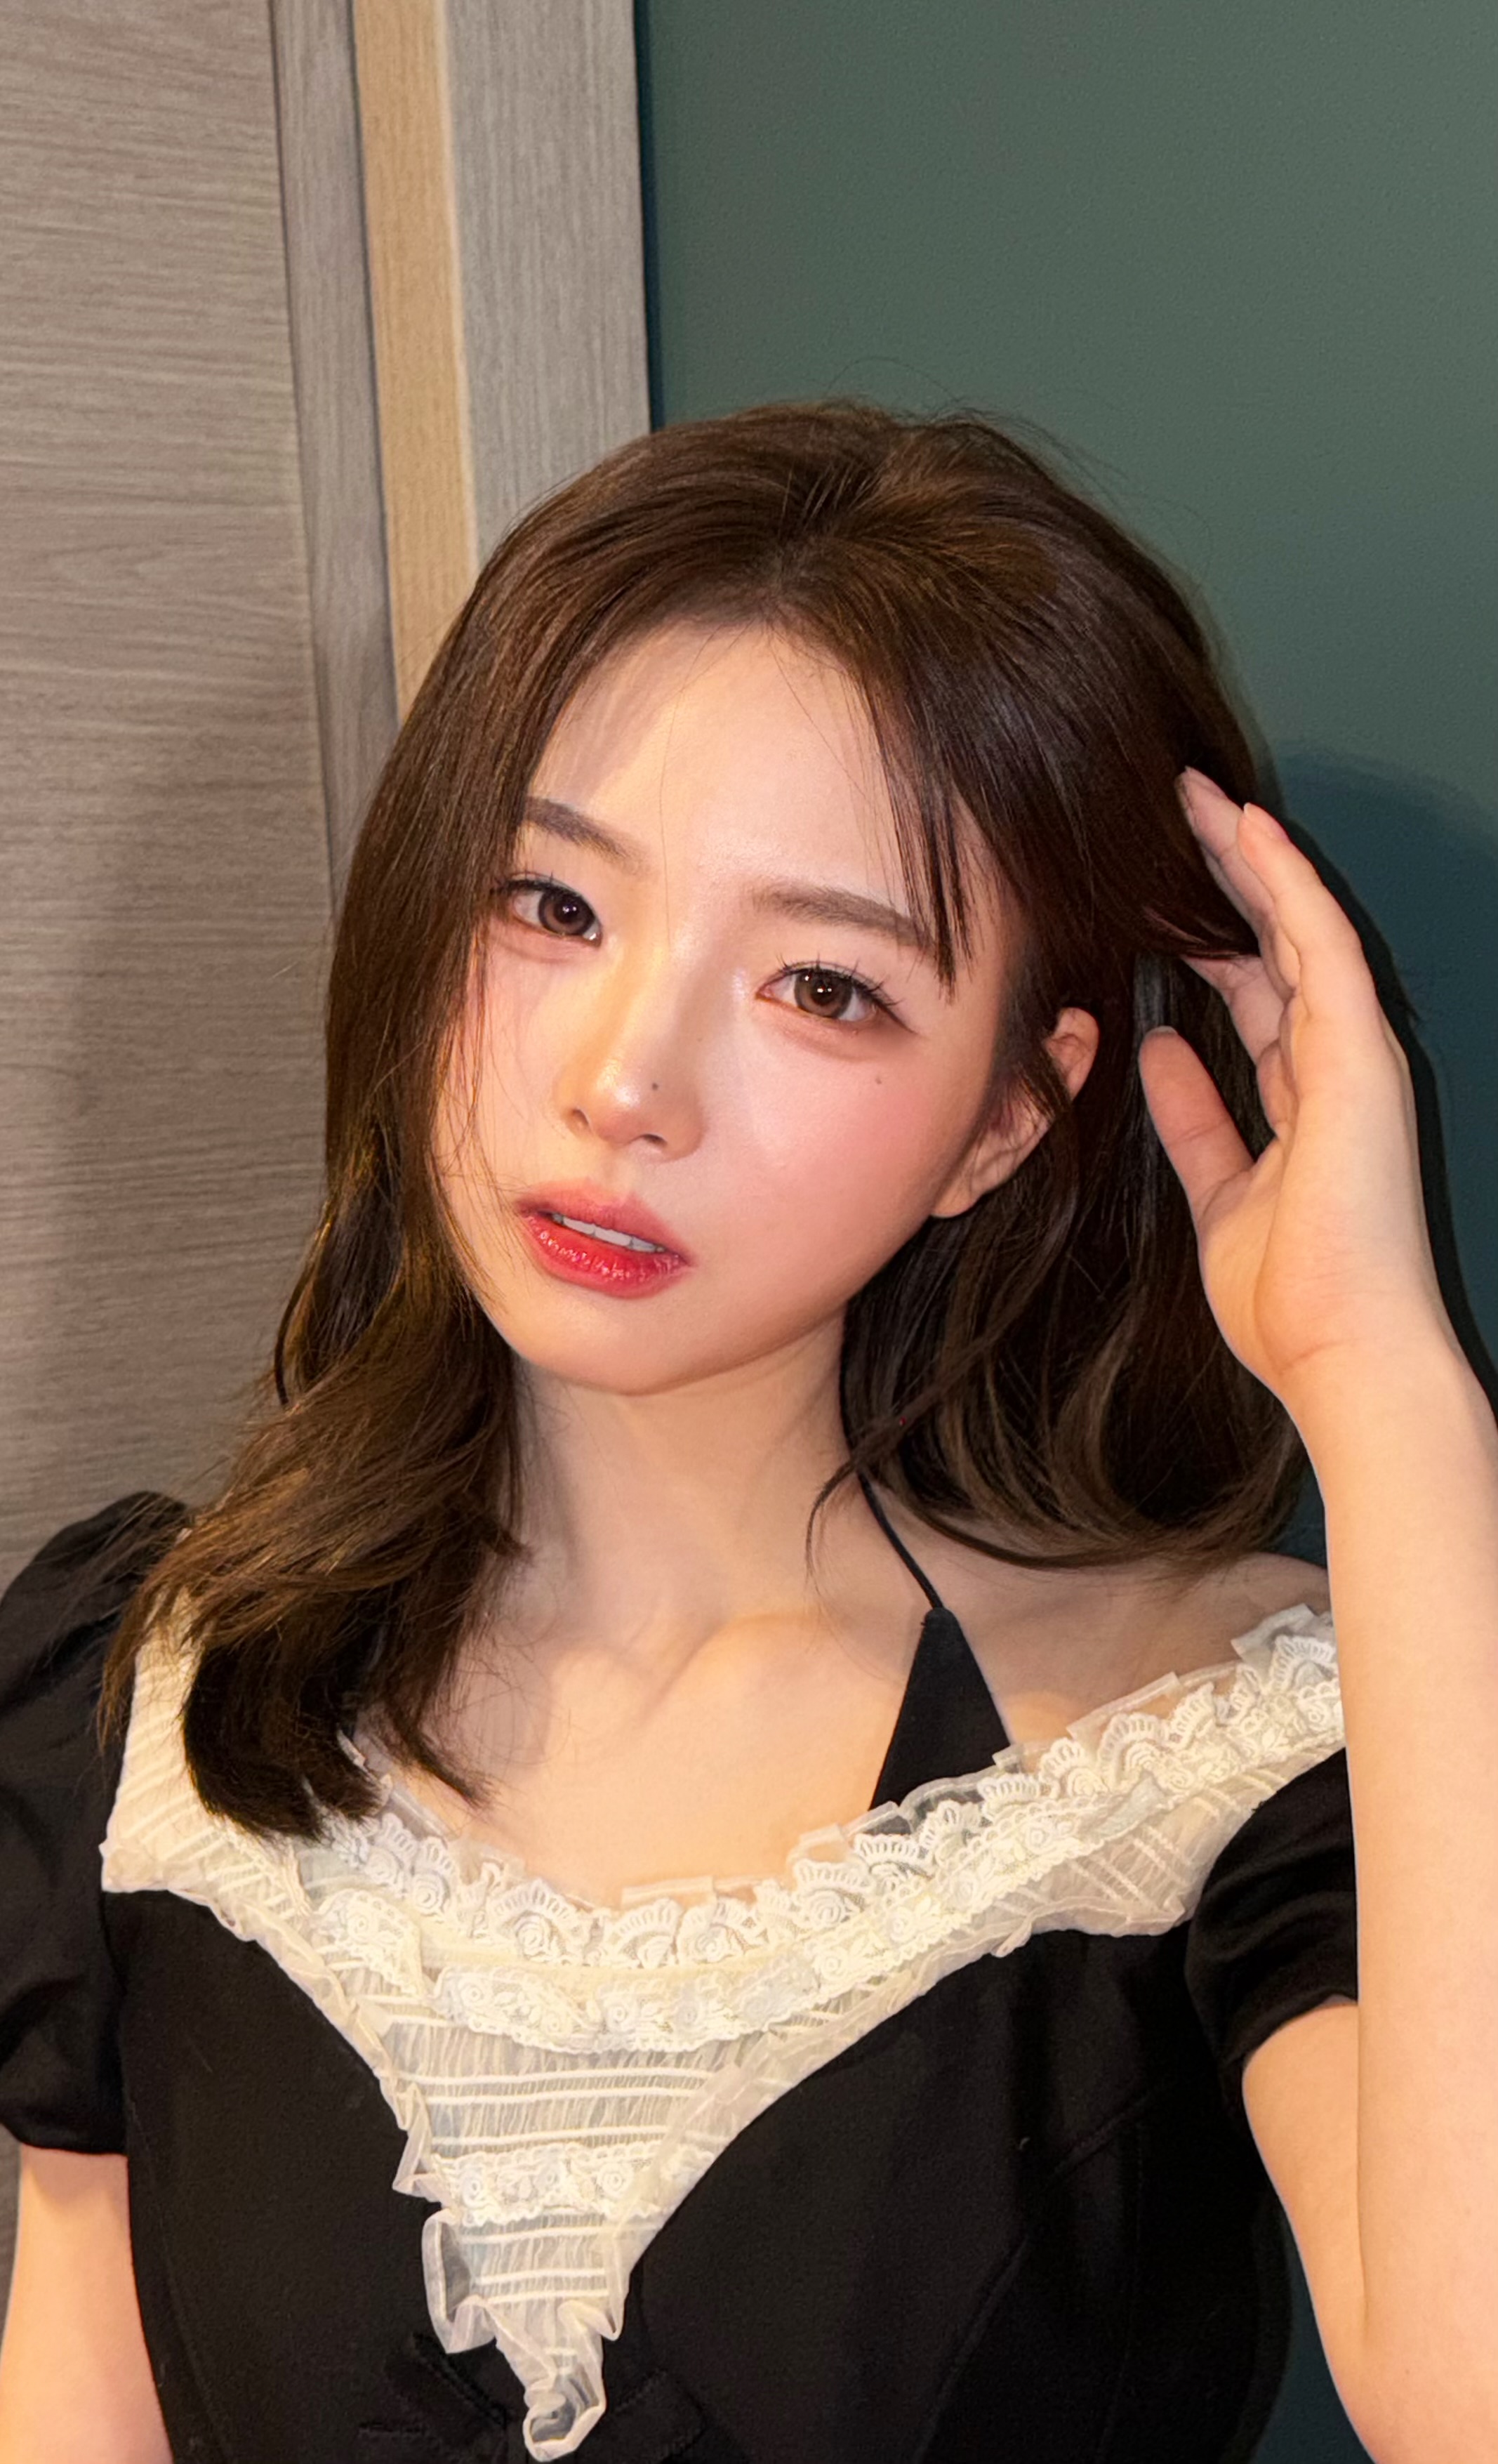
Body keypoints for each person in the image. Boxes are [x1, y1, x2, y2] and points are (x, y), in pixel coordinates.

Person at [1, 400, 1494, 2464]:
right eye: (553, 905)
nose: (628, 1083)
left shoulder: (1216, 1748)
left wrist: (1389, 1388)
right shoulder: (148, 1698)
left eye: (825, 987)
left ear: (1007, 1117)